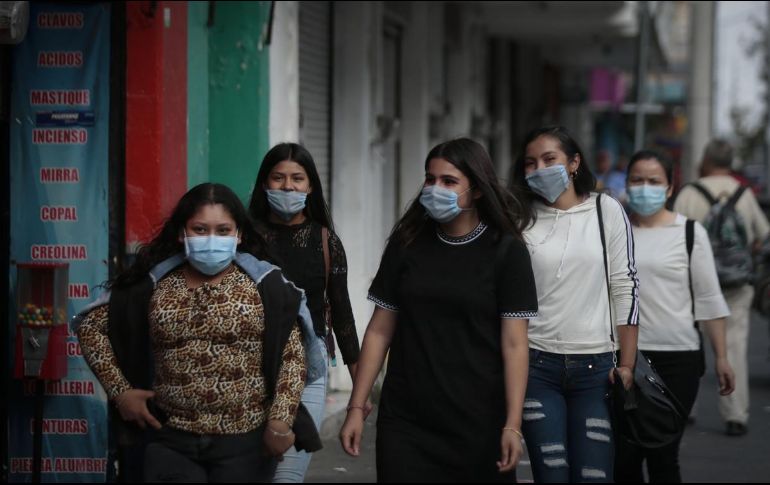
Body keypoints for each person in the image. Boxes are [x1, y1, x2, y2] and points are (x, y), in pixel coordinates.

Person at [75, 183, 325, 483]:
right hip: (169, 440)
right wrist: (121, 392)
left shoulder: (265, 287)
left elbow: (292, 357)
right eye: (200, 229)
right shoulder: (153, 286)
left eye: (222, 230)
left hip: (246, 444)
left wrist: (280, 422)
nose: (211, 239)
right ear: (182, 233)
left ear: (239, 235)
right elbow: (90, 327)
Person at [339, 138, 537, 482]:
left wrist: (513, 424)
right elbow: (379, 330)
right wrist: (357, 407)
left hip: (477, 420)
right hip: (406, 420)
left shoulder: (506, 252)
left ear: (476, 189)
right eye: (430, 179)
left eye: (449, 181)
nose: (435, 188)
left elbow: (516, 345)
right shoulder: (407, 242)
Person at [510, 125, 639, 483]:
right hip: (535, 368)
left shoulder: (606, 210)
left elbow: (625, 285)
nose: (539, 169)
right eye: (531, 163)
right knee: (551, 477)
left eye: (550, 159)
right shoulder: (518, 219)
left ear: (574, 163)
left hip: (596, 372)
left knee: (594, 476)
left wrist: (626, 364)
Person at [614, 150, 735, 482]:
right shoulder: (615, 231)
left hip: (678, 359)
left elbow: (710, 299)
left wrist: (723, 357)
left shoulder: (690, 233)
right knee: (623, 459)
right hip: (623, 358)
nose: (644, 188)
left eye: (654, 181)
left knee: (663, 456)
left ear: (669, 189)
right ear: (626, 185)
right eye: (637, 180)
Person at [248, 143, 366, 482]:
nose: (288, 187)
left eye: (297, 179)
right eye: (279, 178)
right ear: (265, 184)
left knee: (287, 476)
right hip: (249, 369)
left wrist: (359, 390)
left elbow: (342, 317)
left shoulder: (326, 241)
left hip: (308, 371)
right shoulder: (244, 238)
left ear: (310, 185)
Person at [673, 138, 770, 437]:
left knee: (691, 345)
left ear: (705, 159)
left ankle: (686, 408)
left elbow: (672, 233)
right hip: (736, 284)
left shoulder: (690, 192)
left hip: (694, 283)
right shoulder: (744, 194)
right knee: (735, 346)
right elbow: (762, 236)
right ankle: (735, 414)